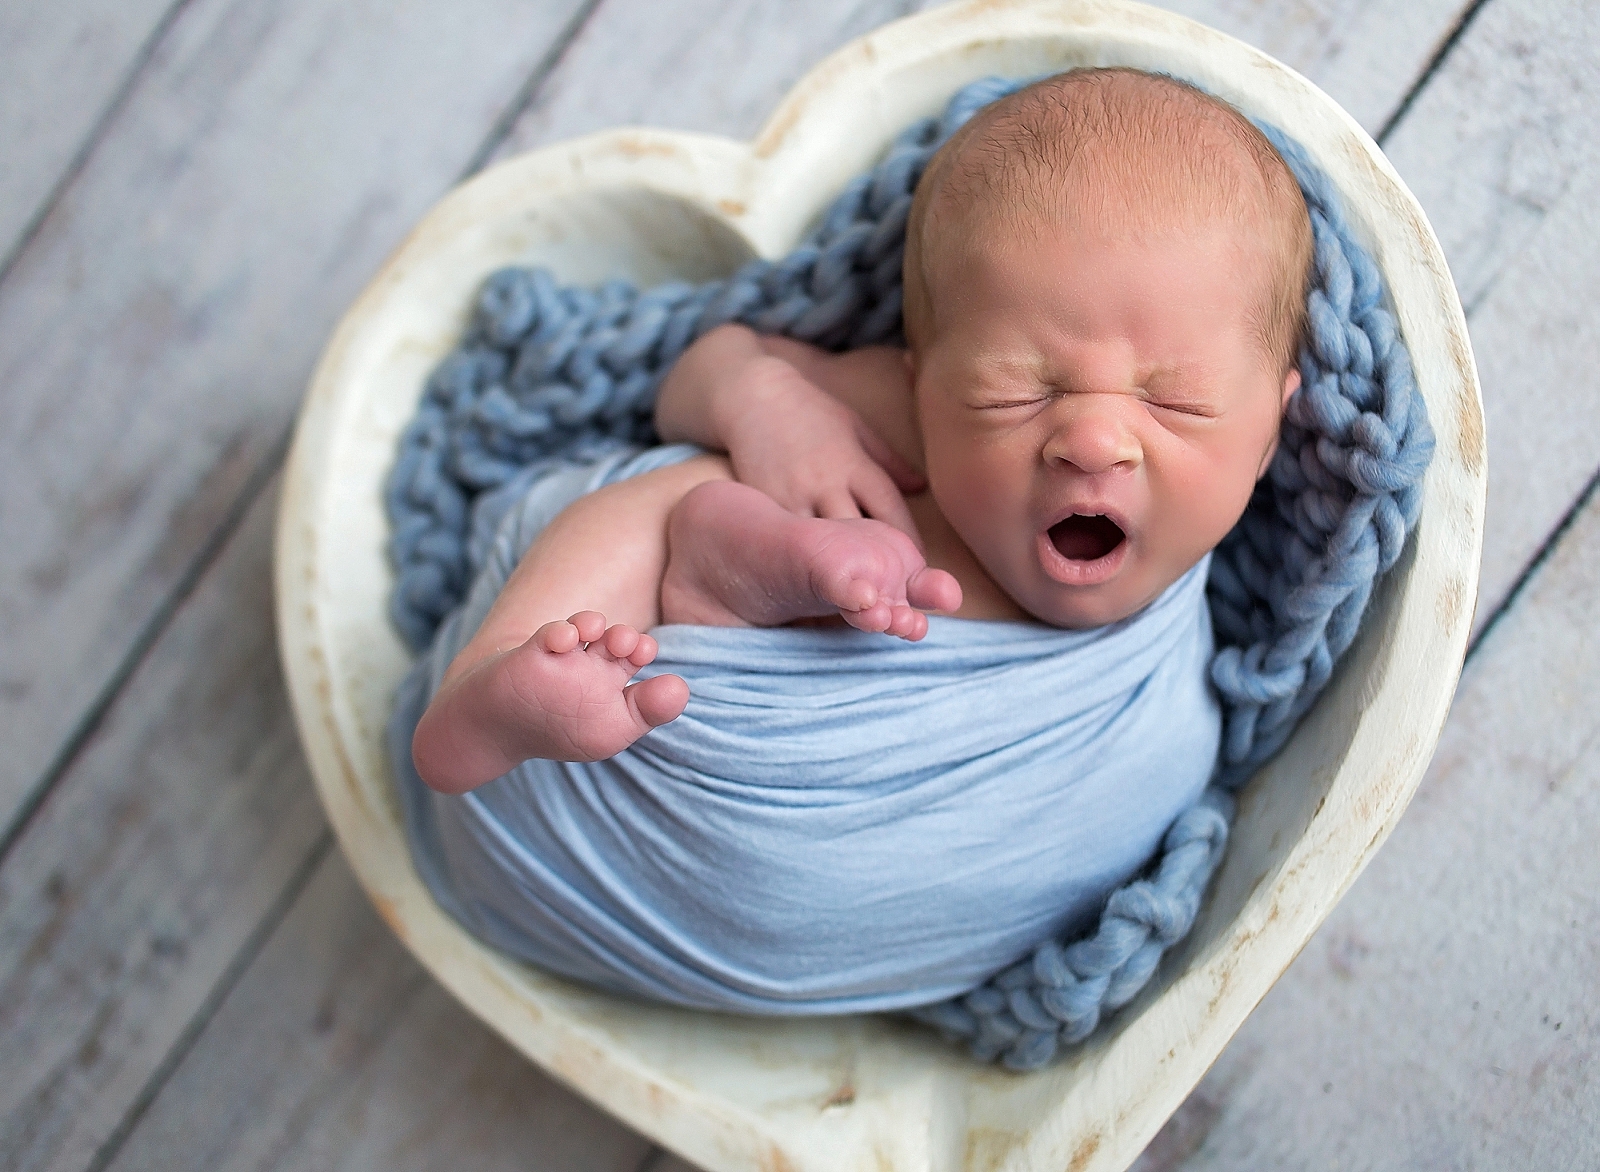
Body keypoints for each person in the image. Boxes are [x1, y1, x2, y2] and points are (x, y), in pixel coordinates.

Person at [410, 67, 1311, 796]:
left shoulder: (1183, 661)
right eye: (1012, 392)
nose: (1093, 441)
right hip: (631, 753)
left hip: (933, 862)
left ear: (1271, 428)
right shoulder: (897, 422)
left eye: (1181, 402)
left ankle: (724, 575)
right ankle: (488, 695)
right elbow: (700, 368)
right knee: (660, 499)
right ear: (924, 378)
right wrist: (762, 402)